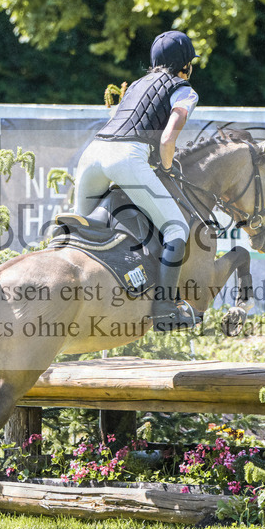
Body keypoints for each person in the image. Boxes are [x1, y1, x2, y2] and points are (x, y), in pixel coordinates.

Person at [72, 30, 200, 331]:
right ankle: (166, 310)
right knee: (176, 229)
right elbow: (167, 139)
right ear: (186, 65)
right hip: (127, 157)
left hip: (91, 156)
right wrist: (166, 166)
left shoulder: (136, 86)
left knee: (79, 228)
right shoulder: (185, 90)